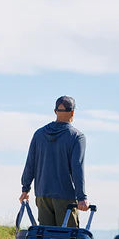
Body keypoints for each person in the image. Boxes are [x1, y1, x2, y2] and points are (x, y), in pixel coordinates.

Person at [19, 95, 89, 227]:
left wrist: (25, 189)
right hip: (65, 196)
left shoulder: (39, 134)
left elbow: (30, 164)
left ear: (55, 111)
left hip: (42, 194)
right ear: (73, 112)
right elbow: (77, 168)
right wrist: (81, 197)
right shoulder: (77, 137)